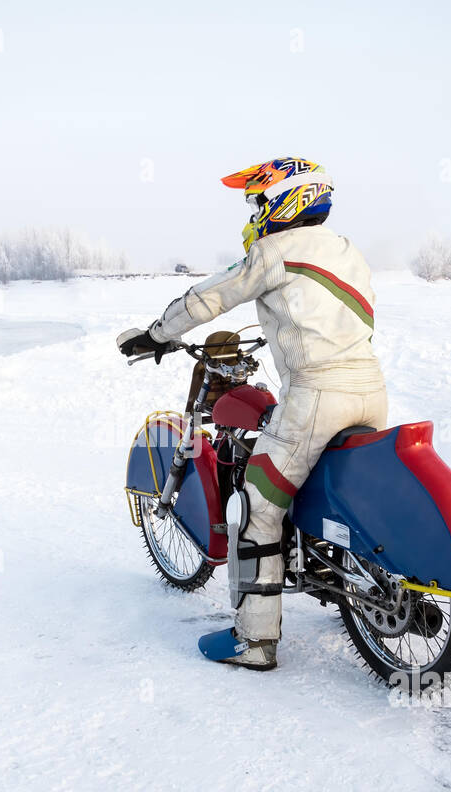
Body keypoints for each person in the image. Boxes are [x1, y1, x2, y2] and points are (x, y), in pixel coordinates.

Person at [118, 157, 388, 671]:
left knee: (256, 508)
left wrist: (156, 334)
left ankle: (254, 641)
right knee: (332, 491)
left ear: (286, 200)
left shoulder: (273, 251)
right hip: (371, 391)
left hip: (316, 396)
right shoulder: (347, 251)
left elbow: (210, 298)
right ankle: (343, 583)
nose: (256, 212)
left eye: (259, 200)